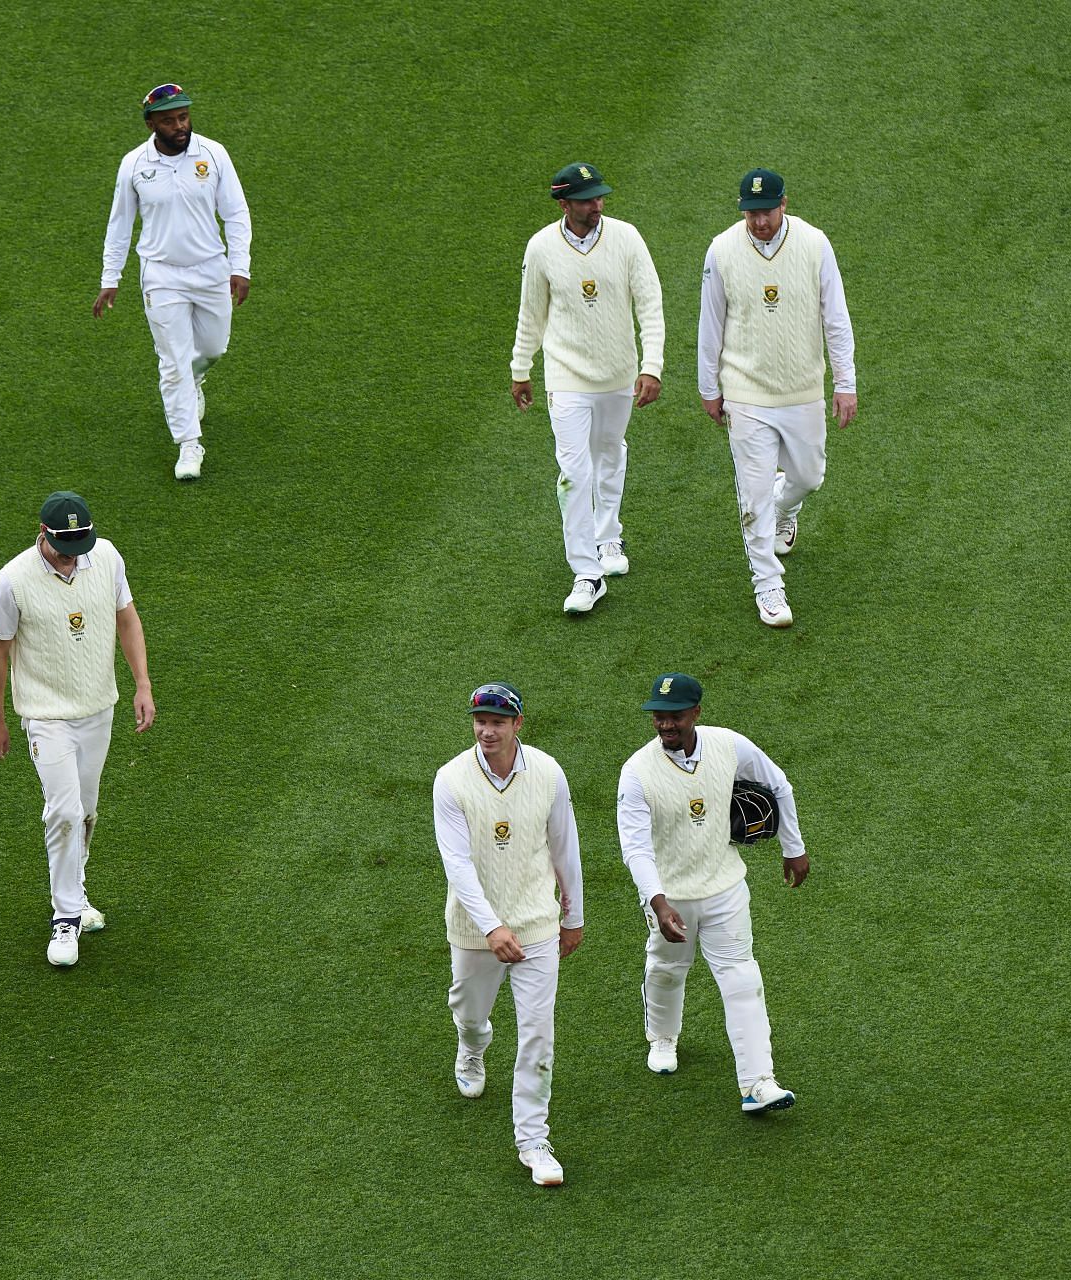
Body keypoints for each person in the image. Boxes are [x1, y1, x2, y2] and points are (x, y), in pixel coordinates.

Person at [615, 673, 806, 1112]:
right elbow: (636, 846)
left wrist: (793, 848)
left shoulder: (728, 745)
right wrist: (657, 901)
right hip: (671, 896)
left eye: (675, 717)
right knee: (666, 968)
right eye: (658, 718)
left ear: (696, 713)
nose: (665, 726)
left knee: (742, 979)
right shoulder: (637, 773)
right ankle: (663, 1037)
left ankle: (758, 1083)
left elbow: (778, 784)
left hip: (725, 888)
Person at [0, 491, 156, 967]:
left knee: (86, 811)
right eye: (64, 547)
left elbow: (127, 619)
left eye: (80, 545)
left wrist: (143, 684)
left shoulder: (107, 557)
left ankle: (76, 894)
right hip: (46, 715)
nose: (73, 555)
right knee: (63, 810)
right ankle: (66, 918)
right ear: (43, 535)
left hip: (99, 707)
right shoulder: (12, 581)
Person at [434, 682, 585, 1187]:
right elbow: (457, 864)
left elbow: (565, 846)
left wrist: (573, 916)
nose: (486, 730)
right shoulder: (451, 780)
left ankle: (533, 1140)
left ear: (518, 724)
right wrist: (491, 927)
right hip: (475, 931)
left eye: (498, 722)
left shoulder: (548, 773)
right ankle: (472, 1046)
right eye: (480, 721)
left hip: (537, 924)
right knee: (469, 1012)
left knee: (538, 1033)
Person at [697, 168, 858, 628]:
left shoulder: (815, 244)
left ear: (784, 204)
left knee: (808, 476)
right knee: (753, 495)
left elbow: (836, 318)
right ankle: (768, 584)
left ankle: (785, 507)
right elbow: (711, 324)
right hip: (746, 393)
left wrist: (844, 383)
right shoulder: (722, 249)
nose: (759, 221)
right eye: (750, 213)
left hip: (802, 389)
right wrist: (710, 387)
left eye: (765, 211)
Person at [511, 162, 666, 616]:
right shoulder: (541, 247)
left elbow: (651, 305)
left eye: (599, 197)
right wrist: (521, 368)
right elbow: (531, 313)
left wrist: (652, 366)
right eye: (586, 199)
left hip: (619, 374)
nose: (596, 205)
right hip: (567, 378)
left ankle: (608, 534)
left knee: (610, 452)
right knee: (573, 473)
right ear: (564, 204)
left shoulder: (627, 238)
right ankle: (586, 572)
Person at [95, 83, 252, 482]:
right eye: (169, 120)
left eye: (183, 117)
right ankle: (188, 443)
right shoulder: (134, 165)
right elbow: (119, 224)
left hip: (211, 268)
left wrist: (240, 266)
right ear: (151, 124)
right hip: (161, 275)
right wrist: (110, 277)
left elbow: (236, 213)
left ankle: (196, 377)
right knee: (172, 362)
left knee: (215, 347)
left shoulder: (213, 154)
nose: (179, 126)